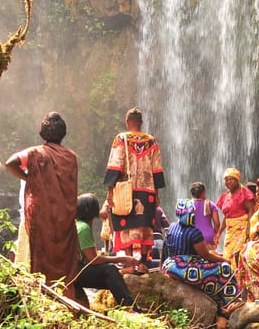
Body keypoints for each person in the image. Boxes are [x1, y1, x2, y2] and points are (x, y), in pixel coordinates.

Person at [5, 111, 79, 298]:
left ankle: (37, 302)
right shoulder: (71, 157)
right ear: (63, 133)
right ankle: (66, 306)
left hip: (39, 216)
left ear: (43, 132)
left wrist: (29, 177)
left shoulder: (35, 153)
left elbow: (10, 163)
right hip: (64, 217)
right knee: (64, 265)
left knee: (35, 259)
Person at [104, 107, 166, 272]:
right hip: (147, 191)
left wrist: (110, 192)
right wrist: (157, 193)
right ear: (141, 122)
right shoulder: (151, 141)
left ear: (127, 122)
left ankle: (129, 262)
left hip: (125, 191)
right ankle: (144, 261)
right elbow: (157, 168)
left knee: (126, 225)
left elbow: (115, 164)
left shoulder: (121, 139)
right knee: (145, 226)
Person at [162, 199, 242, 315]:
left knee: (212, 269)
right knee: (224, 269)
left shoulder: (172, 226)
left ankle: (219, 305)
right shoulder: (194, 232)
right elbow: (205, 255)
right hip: (183, 269)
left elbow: (166, 250)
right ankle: (230, 303)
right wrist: (224, 260)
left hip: (169, 266)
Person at [74, 193, 140, 310]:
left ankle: (126, 306)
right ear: (92, 211)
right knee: (110, 270)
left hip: (74, 270)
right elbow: (93, 260)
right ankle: (130, 308)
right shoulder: (83, 228)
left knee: (113, 276)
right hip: (77, 272)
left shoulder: (77, 224)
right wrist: (124, 259)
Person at [215, 167, 255, 261]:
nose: (228, 182)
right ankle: (232, 275)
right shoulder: (225, 196)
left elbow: (250, 211)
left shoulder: (244, 193)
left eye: (231, 179)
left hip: (242, 229)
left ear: (237, 180)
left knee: (238, 255)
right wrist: (219, 232)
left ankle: (238, 275)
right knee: (227, 255)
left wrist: (249, 230)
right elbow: (227, 216)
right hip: (230, 231)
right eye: (226, 179)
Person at [190, 182, 221, 249]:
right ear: (203, 192)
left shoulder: (188, 205)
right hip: (208, 237)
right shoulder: (210, 204)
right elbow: (217, 224)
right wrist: (216, 235)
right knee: (209, 258)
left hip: (192, 237)